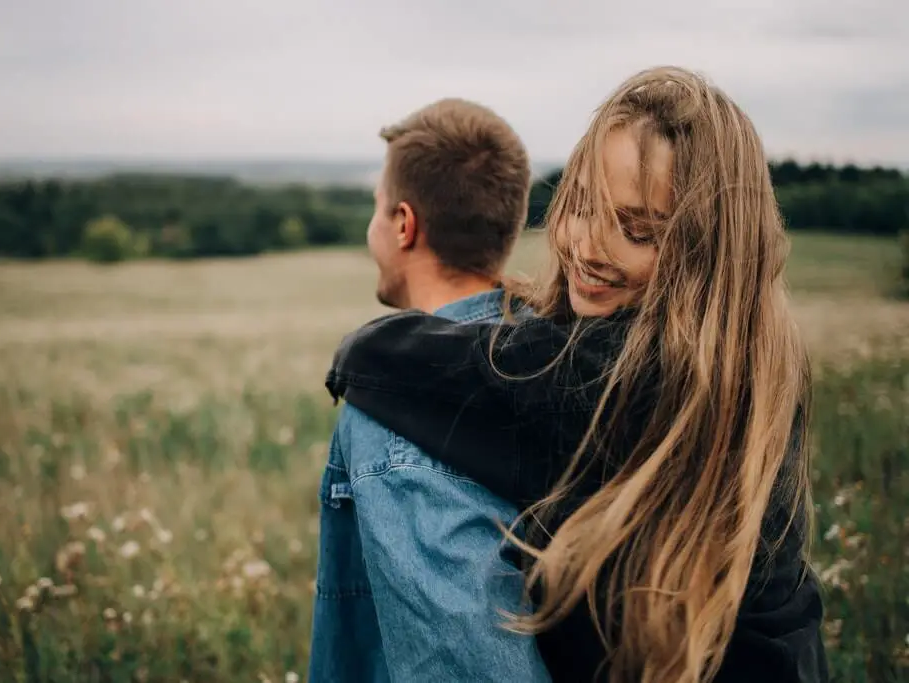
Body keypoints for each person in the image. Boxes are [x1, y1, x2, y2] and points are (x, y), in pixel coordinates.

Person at [325, 67, 829, 682]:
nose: (591, 247)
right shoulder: (746, 353)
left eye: (640, 232)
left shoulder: (644, 376)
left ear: (710, 256)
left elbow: (455, 375)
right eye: (582, 206)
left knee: (377, 428)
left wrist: (361, 348)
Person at [307, 98, 552, 682]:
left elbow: (465, 666)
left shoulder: (398, 409)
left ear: (403, 224)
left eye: (377, 210)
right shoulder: (556, 357)